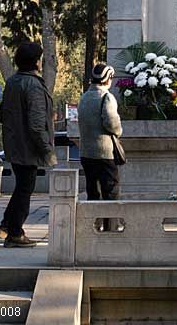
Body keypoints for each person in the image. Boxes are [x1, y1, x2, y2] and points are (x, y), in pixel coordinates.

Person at [0, 41, 57, 248]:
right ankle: (15, 232)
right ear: (36, 62)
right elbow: (37, 124)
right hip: (28, 147)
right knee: (25, 189)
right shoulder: (34, 85)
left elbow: (1, 114)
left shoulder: (13, 81)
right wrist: (47, 151)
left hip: (14, 145)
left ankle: (6, 225)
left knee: (22, 187)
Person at [78, 63, 122, 231]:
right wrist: (119, 131)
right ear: (107, 79)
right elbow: (111, 123)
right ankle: (110, 227)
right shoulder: (106, 97)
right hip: (105, 153)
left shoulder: (84, 96)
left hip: (86, 153)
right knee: (110, 191)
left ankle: (92, 227)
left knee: (93, 191)